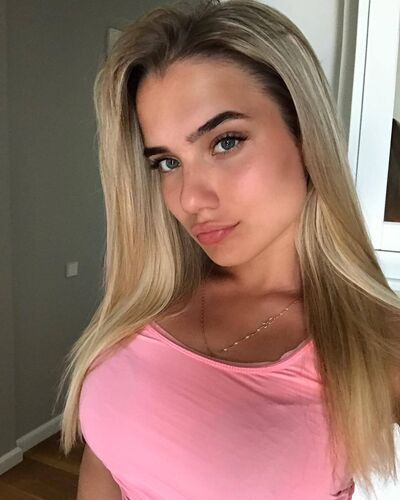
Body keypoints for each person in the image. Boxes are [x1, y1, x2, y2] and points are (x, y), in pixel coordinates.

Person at [55, 1, 400, 498]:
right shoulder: (153, 296)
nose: (190, 199)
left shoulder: (376, 341)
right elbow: (107, 457)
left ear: (305, 136)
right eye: (167, 162)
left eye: (225, 142)